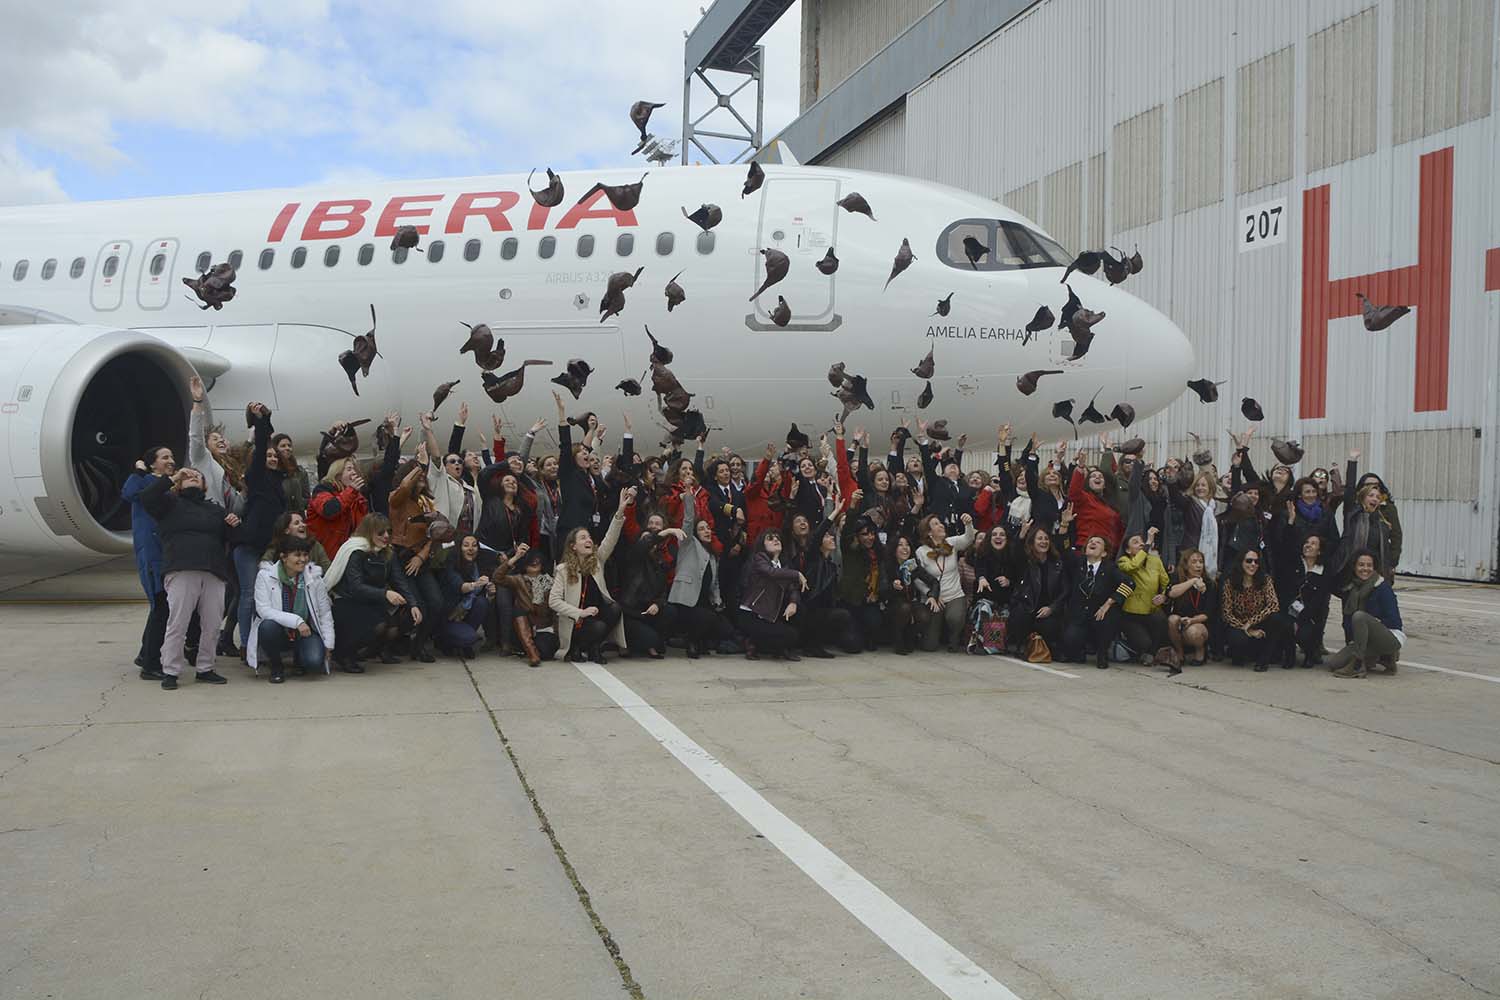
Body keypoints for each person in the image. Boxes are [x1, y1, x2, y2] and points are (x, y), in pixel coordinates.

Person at [140, 467, 239, 690]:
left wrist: (234, 524)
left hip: (214, 571)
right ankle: (171, 671)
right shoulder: (168, 504)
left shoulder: (216, 510)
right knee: (178, 623)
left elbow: (231, 538)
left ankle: (206, 668)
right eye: (188, 476)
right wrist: (173, 478)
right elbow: (146, 497)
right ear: (179, 484)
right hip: (181, 569)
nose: (193, 477)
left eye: (198, 476)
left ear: (205, 485)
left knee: (212, 624)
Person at [324, 513, 422, 672]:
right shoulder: (356, 551)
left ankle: (374, 650)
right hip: (348, 601)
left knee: (400, 623)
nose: (386, 536)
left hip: (373, 600)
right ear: (369, 532)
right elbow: (355, 587)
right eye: (381, 532)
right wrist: (385, 594)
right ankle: (344, 654)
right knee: (379, 626)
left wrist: (413, 604)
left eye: (388, 532)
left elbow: (399, 580)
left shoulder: (387, 552)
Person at [549, 488, 634, 663]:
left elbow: (611, 538)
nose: (588, 540)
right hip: (576, 621)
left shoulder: (597, 561)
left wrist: (620, 510)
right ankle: (576, 647)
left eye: (589, 538)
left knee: (615, 609)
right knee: (598, 625)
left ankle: (595, 647)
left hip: (595, 616)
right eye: (582, 538)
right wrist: (580, 612)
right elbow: (553, 601)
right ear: (573, 546)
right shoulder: (563, 569)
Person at [229, 403, 286, 658]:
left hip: (269, 547)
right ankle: (245, 644)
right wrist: (262, 420)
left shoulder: (279, 483)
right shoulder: (256, 478)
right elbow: (262, 445)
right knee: (248, 594)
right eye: (268, 456)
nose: (272, 458)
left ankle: (262, 641)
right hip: (248, 546)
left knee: (268, 597)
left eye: (276, 456)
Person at [122, 445, 176, 681]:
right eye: (165, 457)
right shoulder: (144, 483)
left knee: (160, 608)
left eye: (172, 456)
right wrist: (139, 471)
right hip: (153, 554)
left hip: (167, 552)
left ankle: (146, 655)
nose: (171, 460)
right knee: (160, 607)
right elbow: (128, 493)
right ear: (152, 463)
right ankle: (151, 664)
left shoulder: (170, 485)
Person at [248, 536, 334, 682]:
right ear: (283, 557)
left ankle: (299, 659)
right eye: (297, 555)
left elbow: (325, 613)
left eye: (305, 555)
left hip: (306, 632)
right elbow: (264, 610)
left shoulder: (315, 578)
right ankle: (276, 666)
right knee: (267, 626)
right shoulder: (265, 576)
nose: (303, 559)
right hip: (280, 631)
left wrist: (328, 644)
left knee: (314, 662)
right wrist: (297, 621)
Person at [1270, 502, 1332, 668]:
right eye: (1306, 543)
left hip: (1309, 616)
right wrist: (1291, 521)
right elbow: (1286, 546)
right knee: (1283, 623)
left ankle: (1310, 653)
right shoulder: (1295, 563)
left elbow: (1319, 601)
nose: (1308, 545)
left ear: (1319, 551)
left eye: (1313, 544)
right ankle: (1288, 654)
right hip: (1289, 610)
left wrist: (1302, 617)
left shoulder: (1323, 571)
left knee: (1306, 632)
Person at [667, 516, 736, 658]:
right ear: (695, 533)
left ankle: (698, 640)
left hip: (704, 603)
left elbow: (715, 583)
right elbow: (687, 522)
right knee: (707, 617)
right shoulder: (689, 545)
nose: (706, 531)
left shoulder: (713, 556)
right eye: (701, 529)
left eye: (708, 528)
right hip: (685, 602)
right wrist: (688, 497)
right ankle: (691, 641)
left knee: (726, 630)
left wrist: (717, 601)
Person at [1327, 551, 1404, 678]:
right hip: (1363, 641)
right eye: (1361, 565)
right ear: (1354, 567)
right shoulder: (1351, 588)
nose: (1365, 569)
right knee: (1334, 664)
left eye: (1369, 565)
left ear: (1374, 567)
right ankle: (1385, 659)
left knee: (1359, 616)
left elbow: (1394, 621)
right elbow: (1347, 622)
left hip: (1390, 637)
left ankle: (1358, 666)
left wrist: (1370, 624)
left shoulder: (1382, 587)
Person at [1062, 534, 1131, 669]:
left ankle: (1102, 652)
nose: (1092, 543)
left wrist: (1108, 603)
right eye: (1090, 542)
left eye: (1098, 542)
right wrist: (1064, 525)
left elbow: (1129, 584)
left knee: (1108, 618)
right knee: (1070, 639)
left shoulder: (1110, 568)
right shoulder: (1078, 563)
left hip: (1100, 614)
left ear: (1104, 552)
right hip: (1079, 614)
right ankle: (1080, 649)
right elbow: (1064, 549)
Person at [738, 529, 808, 661]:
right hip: (752, 614)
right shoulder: (759, 558)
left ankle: (771, 646)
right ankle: (752, 642)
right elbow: (770, 572)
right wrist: (797, 574)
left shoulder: (784, 564)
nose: (776, 540)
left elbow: (793, 588)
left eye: (777, 538)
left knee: (799, 614)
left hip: (770, 614)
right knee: (788, 635)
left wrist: (793, 603)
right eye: (770, 538)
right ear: (762, 545)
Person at [1219, 548, 1289, 671]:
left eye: (1256, 562)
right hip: (1239, 626)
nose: (1253, 565)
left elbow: (1273, 605)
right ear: (1241, 562)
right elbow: (1227, 614)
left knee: (1276, 618)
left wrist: (1251, 623)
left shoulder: (1265, 579)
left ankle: (1264, 660)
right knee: (1238, 643)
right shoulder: (1230, 582)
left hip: (1259, 623)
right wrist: (1248, 629)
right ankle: (1242, 653)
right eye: (1249, 561)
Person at [915, 513, 977, 652]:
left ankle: (954, 638)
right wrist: (931, 594)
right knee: (929, 647)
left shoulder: (950, 543)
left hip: (954, 594)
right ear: (929, 532)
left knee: (955, 618)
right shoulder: (921, 552)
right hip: (934, 598)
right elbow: (918, 579)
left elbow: (969, 538)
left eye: (940, 522)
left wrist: (968, 524)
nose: (941, 525)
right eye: (936, 524)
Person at [1009, 524, 1069, 658]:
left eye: (1046, 538)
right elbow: (1015, 552)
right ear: (1032, 542)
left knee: (1052, 626)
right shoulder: (1025, 561)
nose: (1043, 542)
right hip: (1027, 607)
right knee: (1020, 616)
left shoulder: (1057, 563)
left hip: (1047, 610)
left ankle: (1049, 648)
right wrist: (1022, 534)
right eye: (1039, 539)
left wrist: (1052, 608)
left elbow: (1065, 590)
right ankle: (1022, 646)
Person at [1116, 529, 1172, 667]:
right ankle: (1130, 645)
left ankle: (1153, 653)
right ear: (1128, 550)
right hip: (1131, 613)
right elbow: (1133, 566)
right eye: (1136, 542)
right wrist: (1147, 544)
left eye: (1142, 542)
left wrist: (1164, 596)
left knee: (1162, 621)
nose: (1141, 544)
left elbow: (1167, 583)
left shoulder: (1155, 561)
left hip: (1151, 609)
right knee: (1143, 643)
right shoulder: (1123, 561)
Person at [437, 534, 499, 658]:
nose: (470, 549)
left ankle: (464, 644)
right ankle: (444, 641)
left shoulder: (478, 566)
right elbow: (460, 586)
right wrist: (475, 584)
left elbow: (481, 595)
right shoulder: (451, 565)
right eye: (466, 545)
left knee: (482, 603)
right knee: (469, 637)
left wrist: (490, 591)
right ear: (459, 548)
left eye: (474, 545)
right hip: (450, 615)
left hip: (465, 614)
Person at [307, 456, 371, 558]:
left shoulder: (357, 497)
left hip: (348, 553)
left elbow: (362, 525)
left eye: (355, 469)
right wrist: (352, 491)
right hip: (324, 555)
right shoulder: (322, 489)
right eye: (349, 469)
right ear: (337, 474)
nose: (354, 473)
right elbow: (328, 510)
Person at [1165, 548, 1214, 669]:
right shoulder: (1178, 578)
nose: (1198, 565)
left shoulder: (1209, 583)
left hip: (1198, 623)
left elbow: (1207, 614)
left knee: (1194, 632)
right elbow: (1171, 593)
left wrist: (1191, 621)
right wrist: (1193, 581)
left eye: (1201, 562)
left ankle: (1200, 651)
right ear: (1186, 565)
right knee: (1172, 619)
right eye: (1194, 562)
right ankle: (1180, 654)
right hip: (1179, 623)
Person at [262, 511, 330, 573]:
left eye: (303, 522)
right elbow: (265, 564)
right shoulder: (277, 546)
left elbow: (328, 569)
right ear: (286, 530)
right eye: (296, 523)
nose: (303, 525)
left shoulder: (315, 545)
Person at [272, 432, 311, 514]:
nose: (287, 448)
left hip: (298, 516)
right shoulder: (270, 472)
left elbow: (307, 497)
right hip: (279, 518)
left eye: (289, 445)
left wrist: (299, 502)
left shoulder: (300, 471)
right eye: (283, 446)